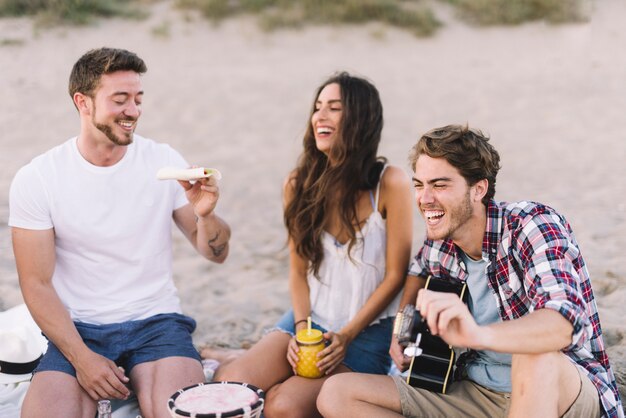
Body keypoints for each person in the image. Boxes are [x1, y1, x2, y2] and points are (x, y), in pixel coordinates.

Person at [317, 124, 624, 418]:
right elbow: (417, 269)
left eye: (439, 185)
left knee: (534, 354)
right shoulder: (442, 242)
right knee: (337, 394)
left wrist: (477, 335)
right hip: (475, 392)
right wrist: (403, 329)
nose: (424, 199)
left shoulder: (533, 225)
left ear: (479, 189)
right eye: (419, 185)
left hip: (561, 392)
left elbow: (563, 325)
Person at [8, 47, 231, 418]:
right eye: (120, 99)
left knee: (180, 414)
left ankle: (198, 356)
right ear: (83, 102)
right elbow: (36, 284)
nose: (133, 111)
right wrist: (83, 360)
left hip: (156, 322)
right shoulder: (39, 178)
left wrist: (206, 215)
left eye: (138, 99)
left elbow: (216, 253)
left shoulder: (163, 161)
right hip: (78, 327)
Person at [208, 72, 413, 417]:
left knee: (283, 406)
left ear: (360, 119)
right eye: (318, 107)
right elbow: (297, 271)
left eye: (334, 108)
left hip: (367, 331)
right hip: (309, 319)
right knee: (230, 385)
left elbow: (397, 275)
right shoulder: (297, 183)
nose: (320, 116)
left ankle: (262, 365)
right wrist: (302, 330)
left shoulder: (390, 183)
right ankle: (239, 358)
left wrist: (346, 336)